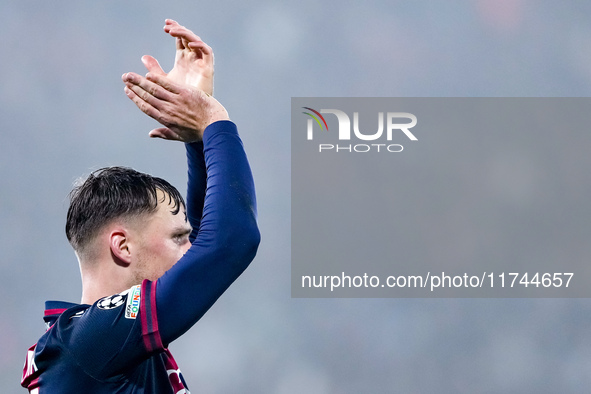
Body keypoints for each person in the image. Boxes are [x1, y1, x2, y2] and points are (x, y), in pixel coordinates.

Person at [21, 19, 260, 393]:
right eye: (178, 238)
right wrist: (215, 121)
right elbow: (230, 241)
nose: (192, 248)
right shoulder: (92, 342)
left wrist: (197, 137)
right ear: (122, 245)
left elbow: (212, 242)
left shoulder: (102, 342)